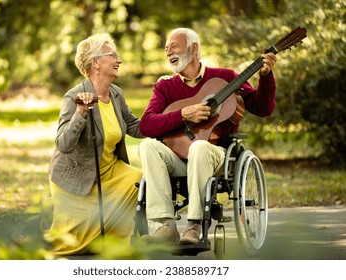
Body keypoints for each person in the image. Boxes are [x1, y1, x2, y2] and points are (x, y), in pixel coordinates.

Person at [138, 27, 277, 245]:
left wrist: (266, 77)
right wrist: (184, 114)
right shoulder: (165, 86)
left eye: (174, 46)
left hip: (215, 157)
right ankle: (165, 226)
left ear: (193, 49)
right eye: (166, 49)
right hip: (179, 159)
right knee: (147, 146)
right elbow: (146, 125)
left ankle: (194, 225)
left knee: (199, 147)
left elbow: (263, 108)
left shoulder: (226, 78)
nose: (169, 53)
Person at [45, 33, 143, 255]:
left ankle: (116, 246)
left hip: (109, 171)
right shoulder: (74, 97)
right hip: (77, 176)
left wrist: (171, 119)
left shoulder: (116, 94)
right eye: (113, 55)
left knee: (137, 180)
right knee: (72, 244)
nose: (119, 60)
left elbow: (136, 127)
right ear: (95, 62)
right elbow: (63, 144)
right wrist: (80, 113)